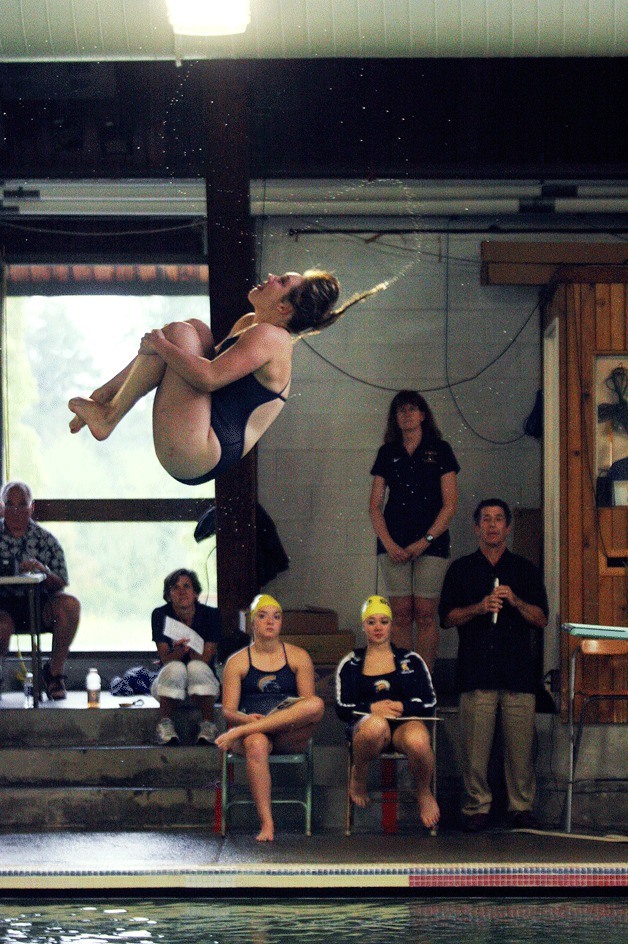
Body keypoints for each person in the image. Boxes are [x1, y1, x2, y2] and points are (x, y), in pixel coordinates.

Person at [69, 271, 385, 484]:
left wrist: (161, 346)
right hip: (202, 440)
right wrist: (163, 348)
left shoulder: (272, 338)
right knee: (196, 329)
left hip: (200, 451)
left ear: (283, 306)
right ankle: (106, 398)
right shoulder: (251, 323)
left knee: (180, 335)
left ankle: (108, 414)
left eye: (281, 280)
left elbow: (207, 379)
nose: (271, 277)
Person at [438, 499, 549, 832]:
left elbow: (541, 618)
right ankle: (476, 807)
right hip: (476, 672)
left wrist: (514, 601)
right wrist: (480, 607)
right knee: (474, 749)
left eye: (499, 519)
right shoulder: (461, 569)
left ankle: (521, 807)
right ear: (476, 528)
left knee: (520, 750)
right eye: (485, 519)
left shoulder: (525, 569)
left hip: (518, 673)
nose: (492, 525)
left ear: (508, 527)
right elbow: (446, 618)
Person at [215, 594, 324, 842]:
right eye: (263, 617)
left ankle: (242, 733)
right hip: (252, 732)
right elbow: (228, 711)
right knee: (257, 742)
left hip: (288, 732)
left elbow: (308, 707)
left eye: (276, 617)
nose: (270, 622)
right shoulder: (238, 661)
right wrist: (245, 723)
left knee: (316, 704)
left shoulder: (298, 657)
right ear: (252, 622)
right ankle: (267, 823)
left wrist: (245, 727)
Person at [369, 390, 459, 670]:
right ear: (395, 418)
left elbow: (450, 504)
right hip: (393, 543)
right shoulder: (388, 452)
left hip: (431, 542)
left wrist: (426, 540)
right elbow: (374, 506)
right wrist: (389, 543)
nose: (406, 415)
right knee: (401, 613)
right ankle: (405, 679)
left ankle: (425, 680)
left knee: (425, 614)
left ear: (422, 415)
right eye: (400, 411)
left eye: (411, 409)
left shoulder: (440, 450)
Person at [335, 594, 439, 830]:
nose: (378, 627)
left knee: (419, 741)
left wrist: (405, 707)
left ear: (392, 624)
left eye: (384, 621)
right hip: (368, 730)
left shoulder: (411, 660)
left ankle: (423, 790)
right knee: (376, 725)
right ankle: (359, 774)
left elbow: (430, 702)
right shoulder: (351, 663)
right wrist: (371, 709)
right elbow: (341, 708)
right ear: (363, 626)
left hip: (403, 724)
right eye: (371, 622)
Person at [0, 481, 80, 701]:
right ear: (2, 507)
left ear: (31, 507)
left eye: (22, 505)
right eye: (10, 505)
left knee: (70, 605)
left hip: (38, 605)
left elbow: (61, 582)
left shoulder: (45, 540)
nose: (16, 511)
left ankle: (54, 674)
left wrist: (43, 572)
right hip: (3, 607)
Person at [151, 568, 221, 745]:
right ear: (168, 595)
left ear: (196, 593)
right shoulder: (160, 614)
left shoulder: (211, 615)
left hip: (203, 681)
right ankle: (164, 725)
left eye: (187, 586)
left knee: (195, 667)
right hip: (170, 681)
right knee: (176, 667)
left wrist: (193, 649)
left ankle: (208, 725)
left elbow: (207, 657)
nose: (182, 591)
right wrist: (180, 651)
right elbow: (165, 658)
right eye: (175, 587)